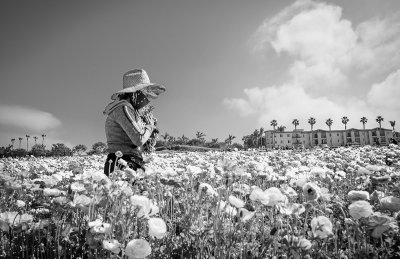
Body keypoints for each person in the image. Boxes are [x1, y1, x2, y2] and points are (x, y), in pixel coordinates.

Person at [103, 69, 166, 176]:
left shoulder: (128, 109)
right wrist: (150, 126)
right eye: (145, 92)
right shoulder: (123, 108)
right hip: (123, 162)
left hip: (129, 161)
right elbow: (139, 139)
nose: (146, 98)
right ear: (135, 92)